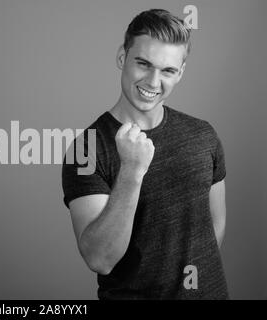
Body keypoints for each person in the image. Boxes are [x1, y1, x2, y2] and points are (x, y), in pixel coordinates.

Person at [62, 9, 228, 299]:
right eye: (143, 64)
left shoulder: (203, 135)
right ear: (121, 57)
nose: (153, 82)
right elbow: (100, 258)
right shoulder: (87, 149)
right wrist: (131, 171)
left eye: (167, 70)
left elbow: (216, 223)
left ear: (181, 72)